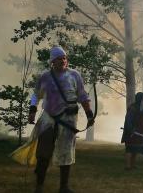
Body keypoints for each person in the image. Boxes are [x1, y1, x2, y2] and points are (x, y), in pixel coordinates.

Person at [27, 46, 94, 193]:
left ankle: (64, 187)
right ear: (52, 61)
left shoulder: (75, 75)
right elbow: (35, 94)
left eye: (64, 58)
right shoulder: (45, 76)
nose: (63, 60)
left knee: (66, 153)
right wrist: (32, 110)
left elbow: (82, 95)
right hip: (48, 118)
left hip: (68, 119)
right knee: (43, 153)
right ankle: (39, 186)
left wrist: (89, 114)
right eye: (59, 58)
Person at [122, 92, 143, 170]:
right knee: (129, 149)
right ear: (139, 99)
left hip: (138, 132)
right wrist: (131, 129)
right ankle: (128, 166)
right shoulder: (132, 108)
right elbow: (128, 120)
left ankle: (132, 165)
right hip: (131, 132)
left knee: (135, 149)